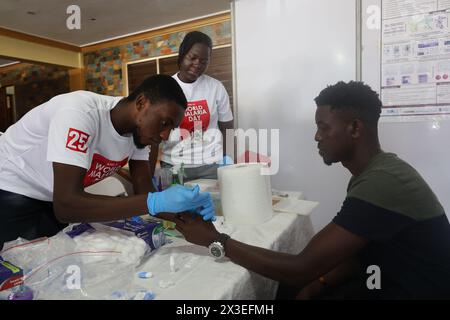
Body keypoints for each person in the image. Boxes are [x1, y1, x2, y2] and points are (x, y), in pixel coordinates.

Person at [170, 81, 450, 299]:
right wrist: (319, 284)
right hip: (384, 279)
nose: (316, 136)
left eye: (323, 127)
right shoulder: (375, 173)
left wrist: (215, 240)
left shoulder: (383, 182)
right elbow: (356, 252)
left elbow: (299, 268)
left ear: (354, 128)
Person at [0, 74, 215, 250]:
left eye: (172, 128)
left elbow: (144, 193)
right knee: (20, 269)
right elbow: (66, 206)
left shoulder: (139, 133)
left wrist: (185, 210)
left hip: (52, 196)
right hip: (13, 186)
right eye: (164, 123)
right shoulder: (80, 113)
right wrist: (155, 201)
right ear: (141, 103)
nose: (166, 135)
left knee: (55, 263)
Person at [159, 31, 234, 181]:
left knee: (214, 204)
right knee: (175, 204)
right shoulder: (165, 88)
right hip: (173, 165)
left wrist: (228, 159)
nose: (197, 65)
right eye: (192, 58)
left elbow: (228, 128)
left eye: (203, 61)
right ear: (182, 55)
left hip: (211, 164)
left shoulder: (216, 87)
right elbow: (155, 134)